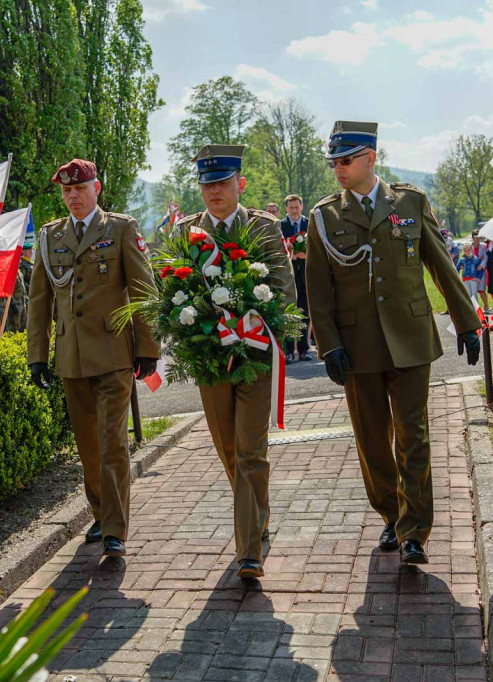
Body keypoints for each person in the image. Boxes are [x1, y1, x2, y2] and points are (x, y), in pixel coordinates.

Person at [305, 121, 481, 566]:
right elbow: (319, 290)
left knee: (414, 436)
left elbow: (441, 265)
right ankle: (390, 513)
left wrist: (467, 322)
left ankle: (415, 530)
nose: (338, 169)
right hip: (357, 345)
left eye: (345, 160)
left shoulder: (410, 202)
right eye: (334, 163)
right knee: (372, 442)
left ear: (370, 158)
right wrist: (329, 345)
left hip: (409, 339)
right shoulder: (324, 217)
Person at [26, 158, 160, 560]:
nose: (73, 197)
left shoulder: (119, 229)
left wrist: (148, 347)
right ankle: (101, 515)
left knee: (112, 442)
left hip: (114, 354)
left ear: (96, 188)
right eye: (66, 191)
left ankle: (116, 528)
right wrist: (37, 355)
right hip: (71, 359)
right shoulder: (51, 237)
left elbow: (142, 289)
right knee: (88, 446)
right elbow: (38, 301)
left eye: (80, 189)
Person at [173, 144, 297, 579]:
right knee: (228, 448)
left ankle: (248, 550)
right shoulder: (186, 233)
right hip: (210, 361)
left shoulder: (263, 229)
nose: (215, 191)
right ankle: (258, 514)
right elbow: (171, 294)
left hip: (255, 356)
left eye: (223, 182)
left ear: (240, 184)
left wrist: (252, 325)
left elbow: (285, 291)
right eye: (207, 184)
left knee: (249, 448)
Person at [277, 194, 312, 362]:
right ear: (286, 209)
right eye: (291, 207)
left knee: (305, 308)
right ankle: (290, 350)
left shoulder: (308, 224)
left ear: (302, 207)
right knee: (290, 309)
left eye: (296, 207)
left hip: (306, 270)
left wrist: (306, 254)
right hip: (288, 271)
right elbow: (277, 248)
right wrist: (290, 254)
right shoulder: (281, 226)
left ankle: (304, 349)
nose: (294, 210)